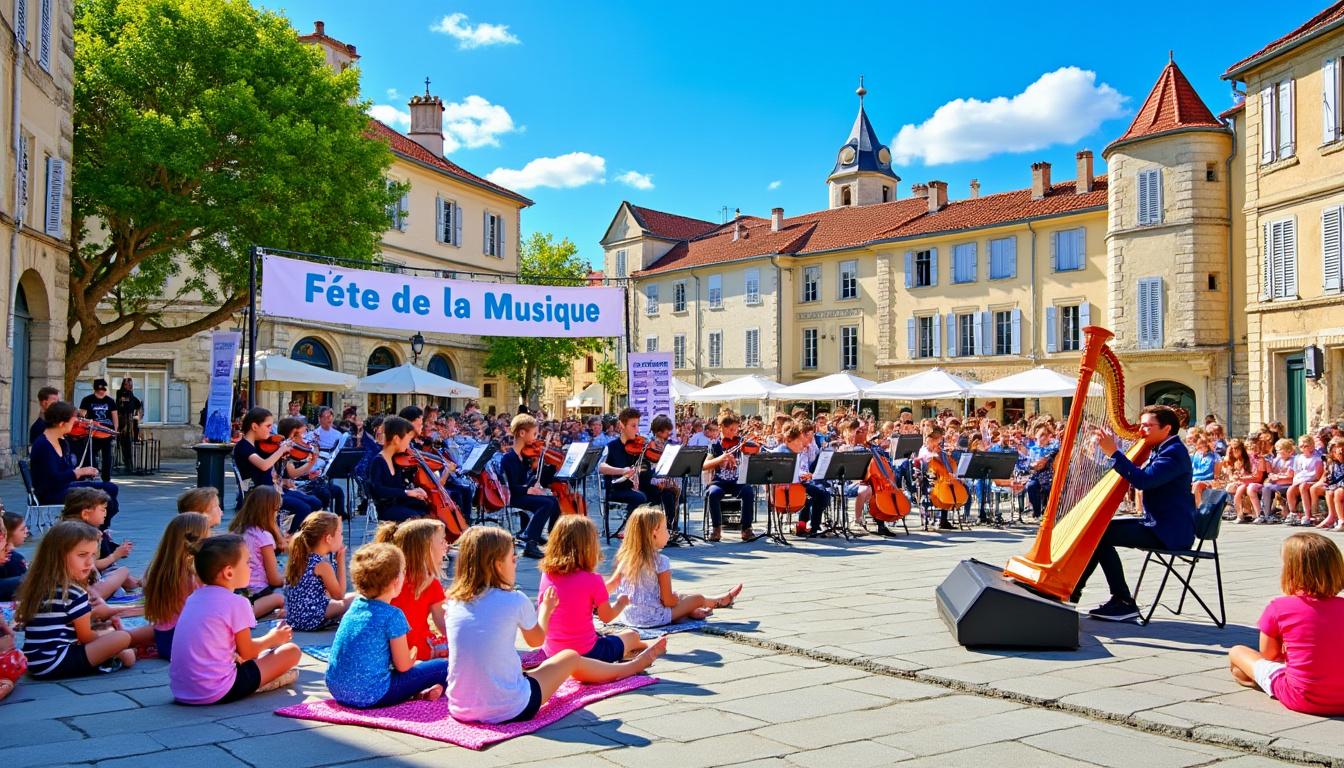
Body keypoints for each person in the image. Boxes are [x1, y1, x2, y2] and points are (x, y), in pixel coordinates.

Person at [444, 526, 666, 724]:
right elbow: (536, 639)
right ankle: (630, 668)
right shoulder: (514, 599)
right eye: (513, 558)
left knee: (550, 665)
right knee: (570, 657)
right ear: (496, 564)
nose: (516, 563)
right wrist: (546, 610)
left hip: (460, 708)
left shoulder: (453, 602)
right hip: (511, 707)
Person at [1077, 405, 1196, 621]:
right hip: (1160, 524)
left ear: (1167, 428)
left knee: (1098, 533)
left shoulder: (1174, 453)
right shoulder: (1164, 448)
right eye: (1141, 425)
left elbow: (1144, 480)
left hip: (1168, 532)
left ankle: (1120, 601)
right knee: (1098, 529)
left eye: (1148, 426)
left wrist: (1114, 452)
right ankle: (1085, 593)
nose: (1142, 430)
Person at [170, 534, 300, 704]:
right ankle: (265, 683)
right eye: (247, 562)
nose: (251, 567)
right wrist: (274, 638)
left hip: (182, 689)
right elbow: (248, 652)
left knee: (256, 657)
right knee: (291, 651)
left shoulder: (193, 598)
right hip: (217, 689)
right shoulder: (237, 603)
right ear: (229, 572)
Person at [1229, 532, 1344, 715]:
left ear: (1290, 571)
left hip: (1303, 697)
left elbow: (1269, 655)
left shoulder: (1279, 607)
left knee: (1238, 653)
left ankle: (1263, 683)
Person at [325, 542, 447, 708]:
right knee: (443, 667)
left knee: (417, 670)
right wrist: (414, 654)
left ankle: (423, 690)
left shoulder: (356, 604)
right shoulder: (392, 615)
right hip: (373, 695)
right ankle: (428, 689)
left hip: (338, 689)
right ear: (396, 582)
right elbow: (403, 666)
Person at [16, 521, 136, 679]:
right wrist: (109, 641)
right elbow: (86, 637)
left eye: (92, 555)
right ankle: (117, 656)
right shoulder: (74, 592)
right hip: (57, 662)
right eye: (82, 555)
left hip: (36, 661)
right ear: (58, 556)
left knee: (109, 633)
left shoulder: (41, 585)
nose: (89, 562)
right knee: (123, 638)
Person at [611, 507, 741, 627]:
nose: (668, 533)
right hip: (652, 619)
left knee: (682, 596)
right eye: (665, 528)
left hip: (628, 616)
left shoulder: (625, 559)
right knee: (697, 598)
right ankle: (716, 603)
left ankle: (702, 607)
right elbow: (668, 602)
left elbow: (611, 585)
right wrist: (675, 599)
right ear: (654, 532)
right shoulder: (661, 561)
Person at [538, 516, 643, 662]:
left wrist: (615, 581)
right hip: (588, 653)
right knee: (632, 635)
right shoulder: (593, 579)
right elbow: (606, 616)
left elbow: (579, 596)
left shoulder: (547, 575)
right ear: (589, 546)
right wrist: (621, 603)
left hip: (553, 653)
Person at [30, 401, 121, 527]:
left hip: (64, 486)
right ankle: (98, 531)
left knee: (111, 488)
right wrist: (78, 472)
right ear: (61, 424)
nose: (75, 425)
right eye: (72, 422)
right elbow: (52, 479)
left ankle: (100, 530)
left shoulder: (62, 442)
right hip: (51, 493)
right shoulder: (43, 445)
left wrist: (81, 471)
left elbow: (66, 470)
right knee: (106, 500)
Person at [232, 407, 317, 532]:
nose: (271, 429)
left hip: (272, 490)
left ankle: (292, 537)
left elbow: (273, 464)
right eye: (268, 426)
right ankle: (287, 537)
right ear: (255, 426)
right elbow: (264, 465)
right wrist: (281, 450)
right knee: (303, 508)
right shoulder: (243, 446)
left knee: (314, 502)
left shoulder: (258, 444)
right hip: (260, 495)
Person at [375, 519, 449, 660]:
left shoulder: (388, 578)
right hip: (418, 651)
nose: (446, 545)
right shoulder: (429, 583)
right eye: (442, 541)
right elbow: (444, 626)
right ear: (426, 549)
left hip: (386, 652)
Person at [143, 513, 211, 660]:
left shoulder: (160, 567)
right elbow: (203, 615)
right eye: (208, 535)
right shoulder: (190, 576)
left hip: (163, 638)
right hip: (181, 642)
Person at [499, 413, 561, 559]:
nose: (535, 438)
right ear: (521, 433)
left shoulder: (524, 457)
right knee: (545, 504)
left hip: (523, 494)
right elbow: (512, 487)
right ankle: (530, 543)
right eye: (533, 434)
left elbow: (528, 479)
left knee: (553, 501)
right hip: (514, 497)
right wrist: (528, 489)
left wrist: (537, 480)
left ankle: (551, 537)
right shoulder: (508, 459)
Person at [283, 511, 355, 631]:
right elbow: (339, 596)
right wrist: (341, 560)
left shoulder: (302, 557)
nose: (342, 537)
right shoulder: (322, 564)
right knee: (356, 598)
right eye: (340, 533)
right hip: (311, 618)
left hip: (295, 618)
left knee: (347, 598)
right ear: (328, 538)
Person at [226, 486, 288, 619]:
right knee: (282, 597)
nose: (277, 514)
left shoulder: (236, 531)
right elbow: (274, 579)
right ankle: (247, 614)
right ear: (269, 511)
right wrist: (291, 578)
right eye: (276, 510)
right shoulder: (263, 537)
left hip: (236, 589)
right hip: (257, 591)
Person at [702, 414, 757, 542]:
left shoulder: (741, 442)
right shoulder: (715, 445)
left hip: (738, 481)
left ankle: (746, 528)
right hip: (719, 481)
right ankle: (716, 528)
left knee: (748, 491)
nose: (735, 433)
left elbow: (754, 454)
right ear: (721, 428)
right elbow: (705, 465)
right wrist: (720, 458)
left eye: (736, 429)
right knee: (713, 493)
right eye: (731, 430)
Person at [368, 416, 432, 524]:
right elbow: (378, 490)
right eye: (408, 440)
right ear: (396, 439)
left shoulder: (396, 460)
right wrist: (407, 492)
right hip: (386, 508)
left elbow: (400, 486)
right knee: (415, 518)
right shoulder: (378, 461)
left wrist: (416, 491)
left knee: (425, 507)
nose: (409, 444)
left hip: (399, 502)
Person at [773, 423, 832, 537]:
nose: (802, 445)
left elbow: (801, 468)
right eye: (799, 441)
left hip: (799, 483)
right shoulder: (781, 452)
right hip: (787, 487)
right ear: (790, 440)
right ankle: (804, 524)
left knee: (822, 493)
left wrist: (805, 475)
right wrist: (801, 475)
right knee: (814, 494)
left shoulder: (798, 452)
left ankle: (814, 526)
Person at [77, 379, 118, 483]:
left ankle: (106, 478)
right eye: (99, 389)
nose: (101, 391)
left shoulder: (110, 401)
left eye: (103, 389)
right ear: (95, 389)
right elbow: (82, 416)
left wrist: (115, 432)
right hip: (93, 432)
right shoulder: (87, 400)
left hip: (106, 432)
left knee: (107, 457)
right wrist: (85, 424)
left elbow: (115, 417)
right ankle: (92, 474)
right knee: (90, 455)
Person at [1249, 439, 1298, 524]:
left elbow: (1291, 476)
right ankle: (1265, 514)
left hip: (1288, 484)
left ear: (1288, 450)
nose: (1278, 453)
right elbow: (1272, 472)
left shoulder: (1293, 460)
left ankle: (1267, 514)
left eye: (1280, 450)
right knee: (1265, 487)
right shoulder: (1277, 460)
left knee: (1267, 487)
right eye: (1277, 451)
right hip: (1276, 484)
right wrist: (1272, 475)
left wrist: (1278, 477)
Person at [1284, 436, 1325, 526]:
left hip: (1312, 481)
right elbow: (1296, 473)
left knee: (1303, 486)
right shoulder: (1298, 458)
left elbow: (1318, 476)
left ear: (1312, 446)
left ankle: (1307, 515)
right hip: (1300, 481)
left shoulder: (1317, 458)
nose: (1303, 448)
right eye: (1301, 446)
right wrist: (1295, 482)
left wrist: (1304, 482)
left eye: (1305, 446)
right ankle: (1293, 513)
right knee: (1291, 489)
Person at [1313, 438, 1344, 530]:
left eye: (1338, 451)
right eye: (1333, 451)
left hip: (1341, 484)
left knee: (1338, 493)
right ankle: (1332, 516)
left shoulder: (1342, 460)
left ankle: (1342, 521)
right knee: (1329, 492)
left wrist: (1340, 455)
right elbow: (1329, 476)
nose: (1336, 454)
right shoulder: (1330, 461)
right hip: (1338, 483)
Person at [114, 378, 141, 474]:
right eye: (127, 384)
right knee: (123, 443)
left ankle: (129, 464)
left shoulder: (131, 394)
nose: (130, 386)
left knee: (129, 443)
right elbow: (120, 407)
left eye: (131, 384)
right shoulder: (121, 393)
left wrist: (137, 415)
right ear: (124, 385)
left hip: (130, 422)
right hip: (122, 421)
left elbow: (138, 404)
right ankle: (125, 464)